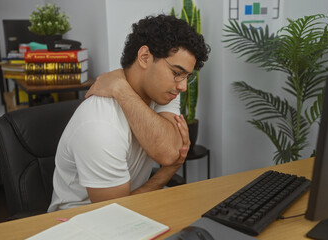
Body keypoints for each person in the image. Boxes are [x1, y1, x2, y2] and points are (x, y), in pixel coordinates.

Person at [48, 14, 210, 212]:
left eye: (186, 77)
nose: (183, 86)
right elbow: (114, 214)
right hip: (79, 224)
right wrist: (163, 176)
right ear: (144, 57)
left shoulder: (162, 94)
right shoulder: (99, 124)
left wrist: (120, 89)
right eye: (177, 73)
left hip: (132, 209)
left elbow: (168, 152)